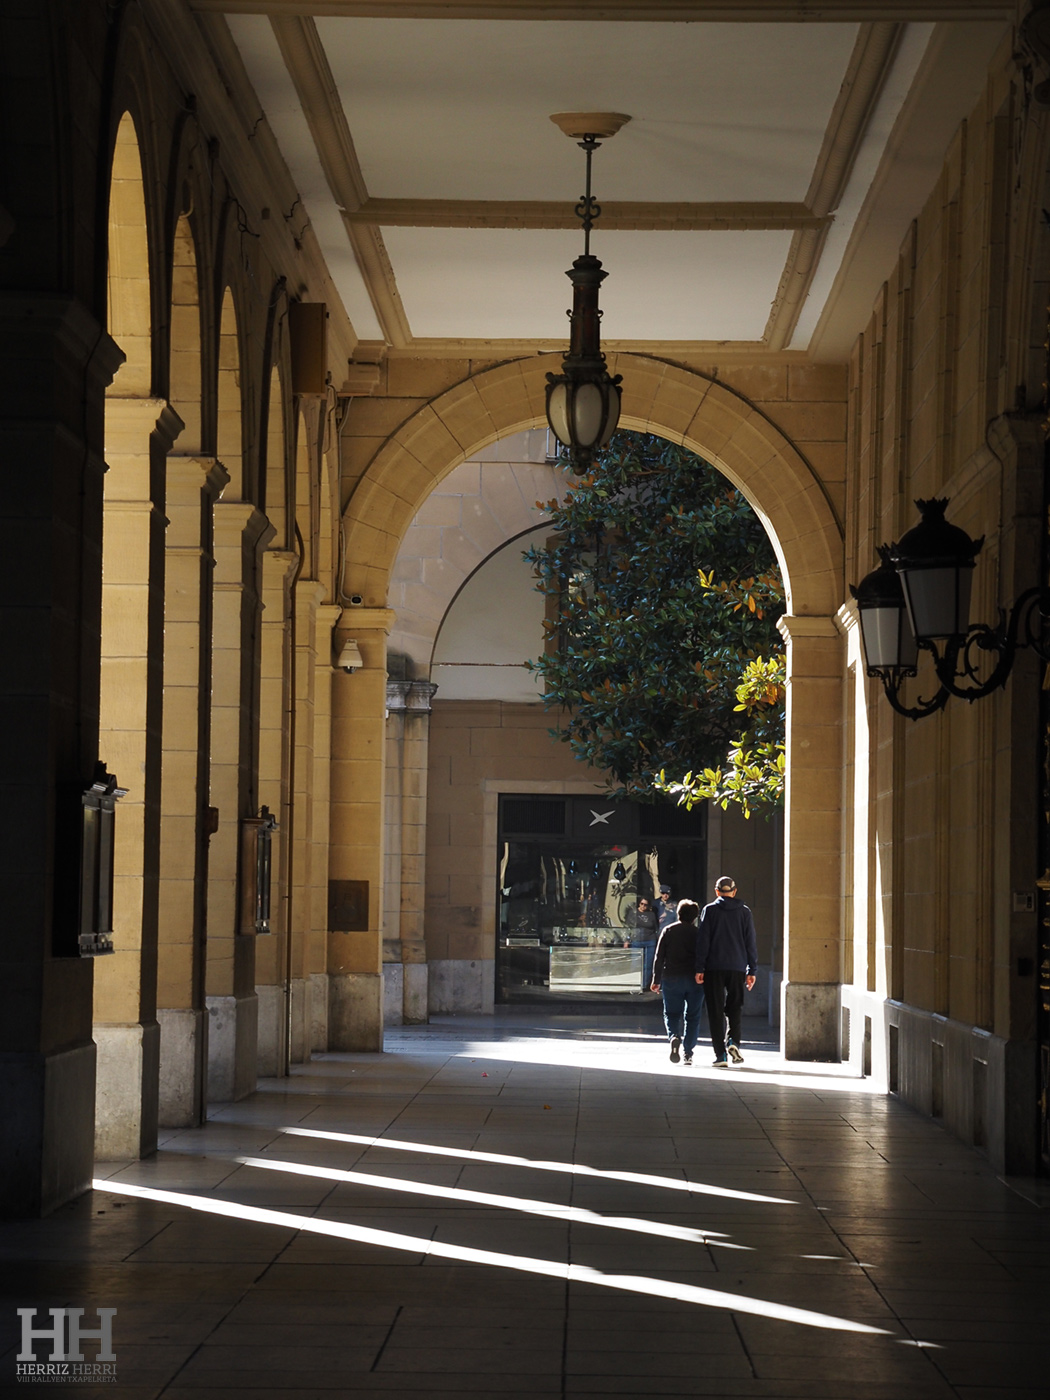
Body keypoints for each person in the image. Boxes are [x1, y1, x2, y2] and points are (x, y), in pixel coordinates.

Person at [694, 876, 758, 1068]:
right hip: (737, 967)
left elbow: (703, 941)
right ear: (734, 891)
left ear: (716, 891)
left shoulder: (709, 910)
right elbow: (750, 942)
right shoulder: (745, 912)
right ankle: (733, 1042)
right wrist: (752, 969)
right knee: (734, 1008)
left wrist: (699, 967)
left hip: (713, 968)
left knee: (715, 1011)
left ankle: (720, 1055)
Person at [651, 899, 704, 1066]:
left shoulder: (668, 931)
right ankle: (688, 1052)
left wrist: (656, 980)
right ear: (695, 917)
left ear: (678, 914)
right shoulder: (699, 934)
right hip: (695, 979)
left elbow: (659, 957)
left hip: (671, 977)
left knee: (672, 1014)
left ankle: (674, 1036)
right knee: (693, 1016)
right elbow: (704, 957)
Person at [630, 897, 658, 992]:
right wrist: (626, 940)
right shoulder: (633, 913)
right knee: (635, 964)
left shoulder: (651, 914)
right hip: (636, 940)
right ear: (639, 904)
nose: (643, 906)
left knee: (648, 965)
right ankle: (635, 984)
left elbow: (655, 927)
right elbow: (628, 927)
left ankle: (645, 985)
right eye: (642, 904)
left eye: (645, 904)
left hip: (650, 940)